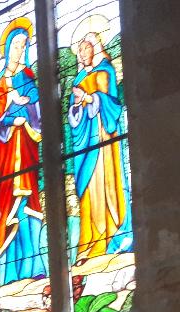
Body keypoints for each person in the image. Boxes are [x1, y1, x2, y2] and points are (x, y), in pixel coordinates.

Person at [67, 15, 133, 265]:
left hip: (103, 140)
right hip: (84, 144)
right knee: (87, 191)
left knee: (104, 185)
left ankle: (110, 237)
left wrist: (89, 99)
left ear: (95, 49)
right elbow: (73, 119)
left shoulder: (105, 71)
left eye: (86, 49)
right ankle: (91, 242)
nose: (82, 54)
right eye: (80, 51)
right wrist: (77, 106)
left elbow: (111, 105)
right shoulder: (76, 80)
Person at [0, 19, 47, 286]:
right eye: (16, 46)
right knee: (12, 210)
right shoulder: (0, 87)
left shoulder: (29, 78)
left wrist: (26, 108)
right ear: (7, 49)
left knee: (30, 208)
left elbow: (38, 109)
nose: (20, 50)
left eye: (24, 46)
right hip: (7, 160)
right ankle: (11, 273)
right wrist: (12, 118)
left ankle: (35, 265)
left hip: (27, 150)